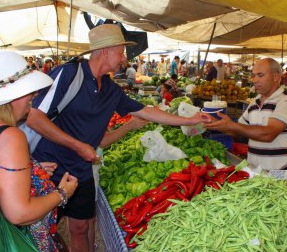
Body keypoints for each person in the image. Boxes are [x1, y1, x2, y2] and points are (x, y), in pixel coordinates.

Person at [25, 24, 207, 252]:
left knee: (80, 228)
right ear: (105, 51)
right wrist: (78, 145)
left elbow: (147, 111)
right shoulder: (69, 74)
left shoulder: (111, 89)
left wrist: (191, 120)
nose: (124, 58)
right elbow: (33, 117)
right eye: (121, 52)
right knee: (40, 230)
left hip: (81, 170)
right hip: (50, 166)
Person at [0, 51, 78, 252]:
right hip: (13, 241)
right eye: (30, 92)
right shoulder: (10, 136)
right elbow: (19, 213)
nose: (34, 96)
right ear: (13, 96)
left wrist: (32, 170)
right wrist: (62, 193)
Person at [203, 58, 287, 182]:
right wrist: (214, 123)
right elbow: (238, 130)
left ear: (276, 77)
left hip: (280, 176)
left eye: (260, 75)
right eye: (253, 75)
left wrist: (232, 125)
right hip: (256, 174)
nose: (255, 80)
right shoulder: (255, 102)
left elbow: (268, 134)